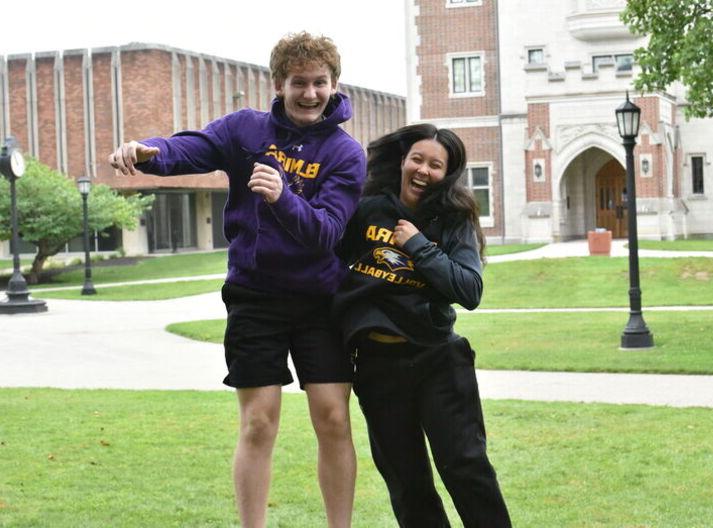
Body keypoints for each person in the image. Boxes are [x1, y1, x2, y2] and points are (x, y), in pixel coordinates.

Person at [108, 31, 364, 528]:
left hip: (320, 301)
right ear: (279, 83)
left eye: (320, 83)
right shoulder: (245, 131)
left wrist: (282, 195)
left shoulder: (344, 153)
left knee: (333, 418)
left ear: (334, 85)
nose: (310, 94)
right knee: (258, 423)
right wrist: (148, 151)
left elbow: (328, 232)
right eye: (299, 83)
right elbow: (191, 148)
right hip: (255, 296)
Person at [332, 124, 511, 527]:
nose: (423, 170)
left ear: (446, 175)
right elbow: (325, 260)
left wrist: (417, 245)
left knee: (466, 468)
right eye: (417, 159)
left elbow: (469, 289)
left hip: (437, 361)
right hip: (378, 366)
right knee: (407, 483)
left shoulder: (452, 219)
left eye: (435, 165)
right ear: (402, 161)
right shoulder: (366, 209)